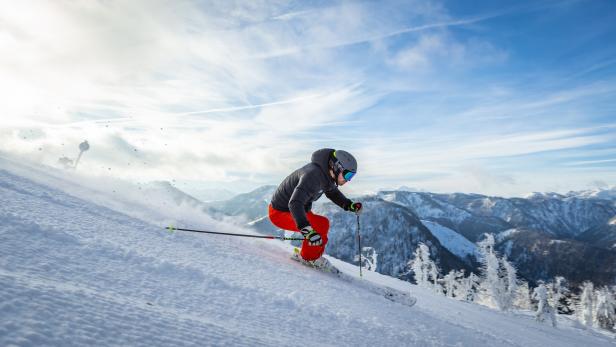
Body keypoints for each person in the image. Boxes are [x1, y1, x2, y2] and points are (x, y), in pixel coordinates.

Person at [268, 148, 363, 265]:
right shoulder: (313, 175)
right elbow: (294, 203)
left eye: (351, 176)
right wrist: (306, 229)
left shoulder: (326, 174)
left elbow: (332, 192)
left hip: (295, 209)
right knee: (321, 225)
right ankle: (307, 258)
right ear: (337, 167)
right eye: (347, 174)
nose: (348, 180)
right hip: (279, 212)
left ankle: (314, 256)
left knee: (320, 229)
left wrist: (349, 205)